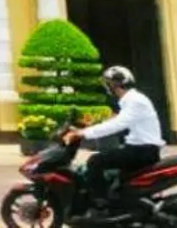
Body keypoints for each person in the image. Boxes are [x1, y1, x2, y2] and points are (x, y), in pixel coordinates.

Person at [63, 66, 163, 217]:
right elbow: (118, 120)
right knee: (117, 174)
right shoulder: (132, 99)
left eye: (108, 84)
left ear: (114, 85)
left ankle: (101, 203)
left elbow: (117, 125)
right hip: (141, 149)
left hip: (142, 151)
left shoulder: (135, 101)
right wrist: (89, 125)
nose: (108, 87)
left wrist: (83, 133)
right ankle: (121, 207)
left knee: (95, 161)